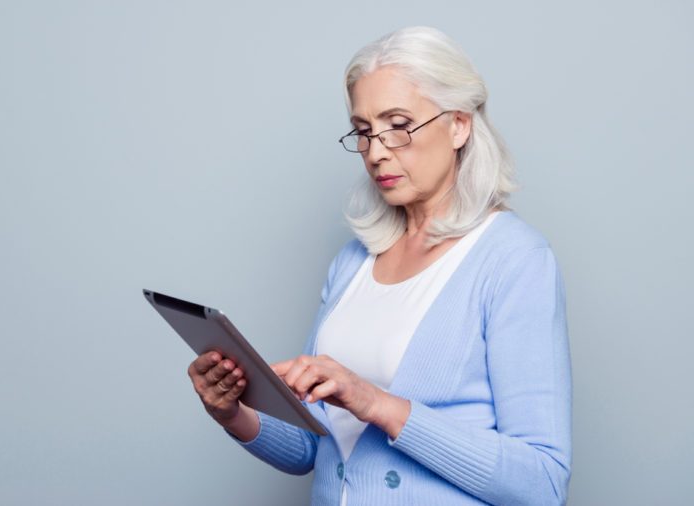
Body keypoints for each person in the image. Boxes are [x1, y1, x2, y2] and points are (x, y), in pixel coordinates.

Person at [187, 26, 571, 506]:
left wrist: (377, 404)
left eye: (399, 124)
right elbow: (316, 446)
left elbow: (542, 482)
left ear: (459, 124)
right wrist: (233, 413)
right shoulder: (352, 262)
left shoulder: (514, 260)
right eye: (364, 131)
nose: (376, 150)